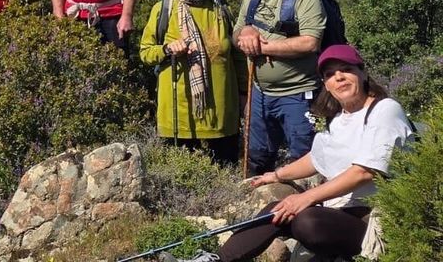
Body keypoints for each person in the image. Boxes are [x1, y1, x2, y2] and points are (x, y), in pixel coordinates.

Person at [163, 44, 414, 262]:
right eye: (330, 74)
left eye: (346, 69)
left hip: (372, 220)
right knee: (278, 209)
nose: (339, 78)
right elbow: (316, 159)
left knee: (306, 220)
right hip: (338, 213)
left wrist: (306, 198)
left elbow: (365, 172)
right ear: (326, 85)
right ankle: (216, 259)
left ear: (363, 73)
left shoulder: (385, 110)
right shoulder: (338, 119)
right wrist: (275, 175)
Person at [139, 0, 247, 167]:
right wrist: (167, 49)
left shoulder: (220, 6)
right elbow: (146, 53)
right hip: (180, 116)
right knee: (181, 177)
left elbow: (238, 56)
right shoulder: (164, 9)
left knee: (226, 172)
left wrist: (245, 94)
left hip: (222, 115)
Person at [235, 0, 327, 175]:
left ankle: (307, 199)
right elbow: (236, 34)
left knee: (305, 159)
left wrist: (261, 47)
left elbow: (310, 42)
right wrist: (246, 31)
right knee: (257, 157)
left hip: (298, 94)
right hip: (260, 94)